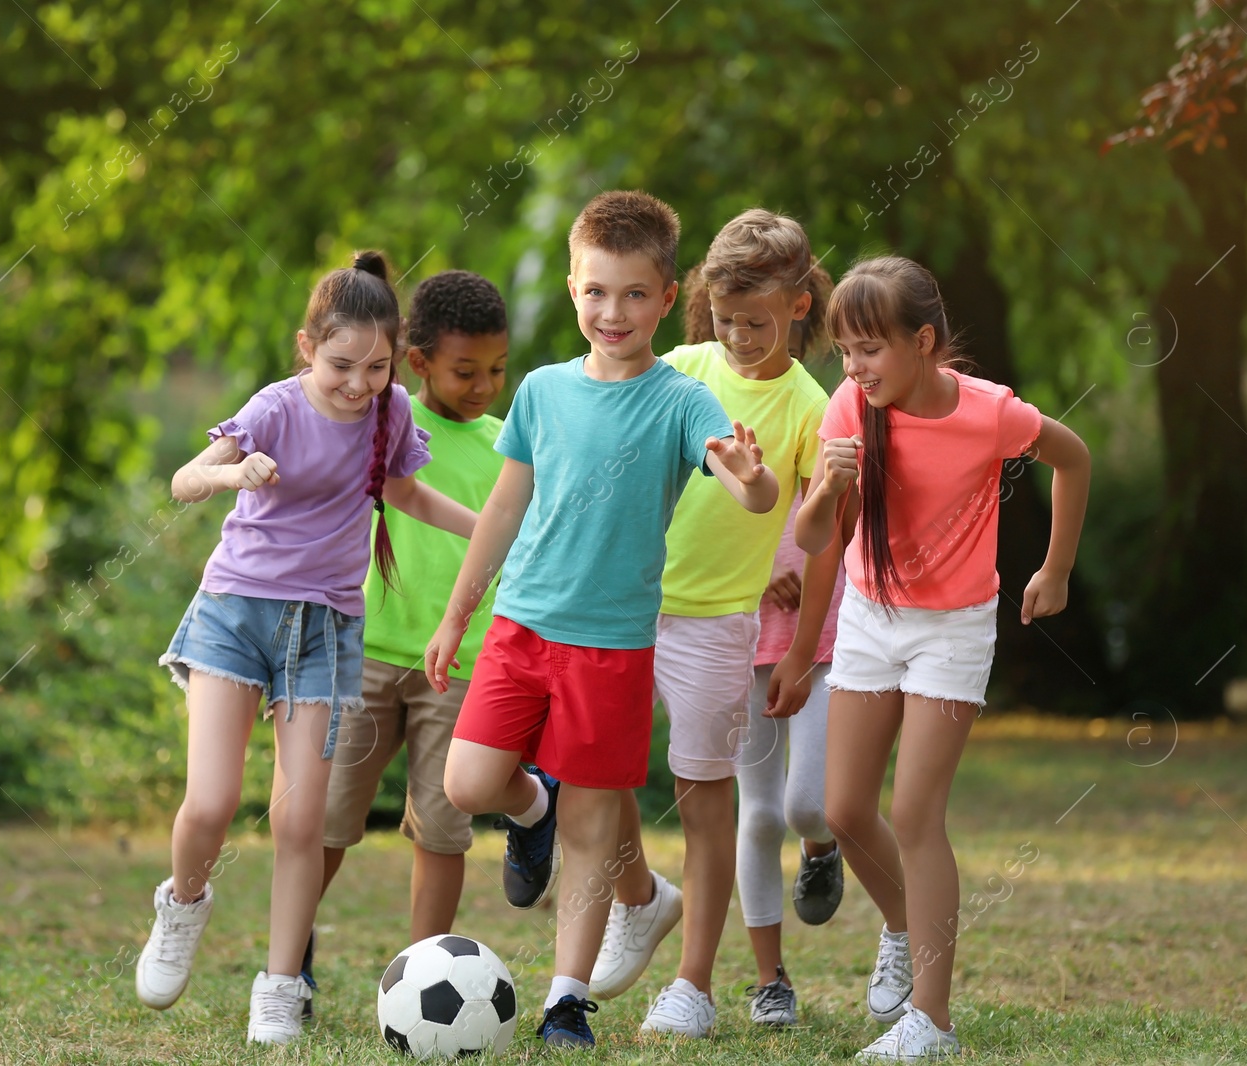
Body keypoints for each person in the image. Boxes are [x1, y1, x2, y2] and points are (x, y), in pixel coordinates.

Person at [426, 190, 779, 1049]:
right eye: (594, 291)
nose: (610, 312)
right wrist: (455, 614)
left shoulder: (681, 400)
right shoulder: (543, 392)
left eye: (631, 295)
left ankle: (566, 999)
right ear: (573, 286)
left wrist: (753, 475)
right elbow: (505, 513)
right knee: (469, 786)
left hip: (612, 647)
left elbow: (747, 487)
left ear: (666, 300)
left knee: (593, 824)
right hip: (519, 628)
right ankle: (532, 810)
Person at [136, 252, 478, 1046]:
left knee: (302, 823)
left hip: (325, 629)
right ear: (306, 349)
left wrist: (492, 530)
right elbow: (185, 479)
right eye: (340, 366)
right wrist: (235, 474)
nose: (358, 385)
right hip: (236, 613)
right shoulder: (276, 409)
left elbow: (402, 491)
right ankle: (182, 903)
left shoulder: (391, 414)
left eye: (378, 367)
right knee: (214, 802)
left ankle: (280, 987)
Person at [797, 255, 1090, 1060]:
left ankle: (931, 1019)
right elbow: (815, 537)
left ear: (923, 341)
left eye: (869, 349)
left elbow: (1074, 458)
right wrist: (826, 488)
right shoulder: (850, 409)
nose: (854, 368)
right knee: (846, 809)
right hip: (869, 616)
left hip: (953, 629)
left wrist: (1056, 568)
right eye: (845, 352)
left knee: (916, 814)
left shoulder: (989, 413)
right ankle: (902, 927)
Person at [586, 210, 833, 1037]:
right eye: (724, 320)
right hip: (627, 609)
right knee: (599, 775)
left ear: (799, 307)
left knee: (705, 800)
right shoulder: (682, 367)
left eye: (756, 322)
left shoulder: (809, 405)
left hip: (719, 627)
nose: (736, 337)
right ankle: (636, 899)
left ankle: (693, 985)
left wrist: (800, 644)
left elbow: (816, 530)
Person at [318, 269, 510, 957]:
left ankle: (425, 969)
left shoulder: (507, 445)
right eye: (466, 371)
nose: (484, 385)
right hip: (366, 652)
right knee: (329, 820)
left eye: (496, 369)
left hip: (459, 665)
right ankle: (294, 956)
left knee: (442, 829)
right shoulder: (383, 416)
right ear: (419, 362)